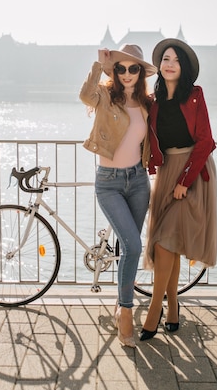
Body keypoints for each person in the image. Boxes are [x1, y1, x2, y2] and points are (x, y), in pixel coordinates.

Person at [79, 44, 157, 348]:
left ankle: (120, 303)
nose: (126, 73)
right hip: (109, 183)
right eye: (121, 68)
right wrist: (100, 65)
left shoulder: (147, 103)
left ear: (140, 73)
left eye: (132, 68)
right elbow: (85, 95)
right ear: (116, 71)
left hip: (138, 180)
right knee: (134, 245)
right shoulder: (103, 95)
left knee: (130, 248)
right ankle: (125, 311)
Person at [140, 38, 217, 341]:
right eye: (165, 59)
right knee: (166, 246)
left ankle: (153, 311)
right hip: (166, 172)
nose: (169, 64)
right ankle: (172, 305)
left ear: (183, 68)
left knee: (165, 241)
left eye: (175, 60)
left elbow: (205, 141)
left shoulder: (195, 96)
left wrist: (185, 181)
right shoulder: (153, 100)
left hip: (193, 173)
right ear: (160, 66)